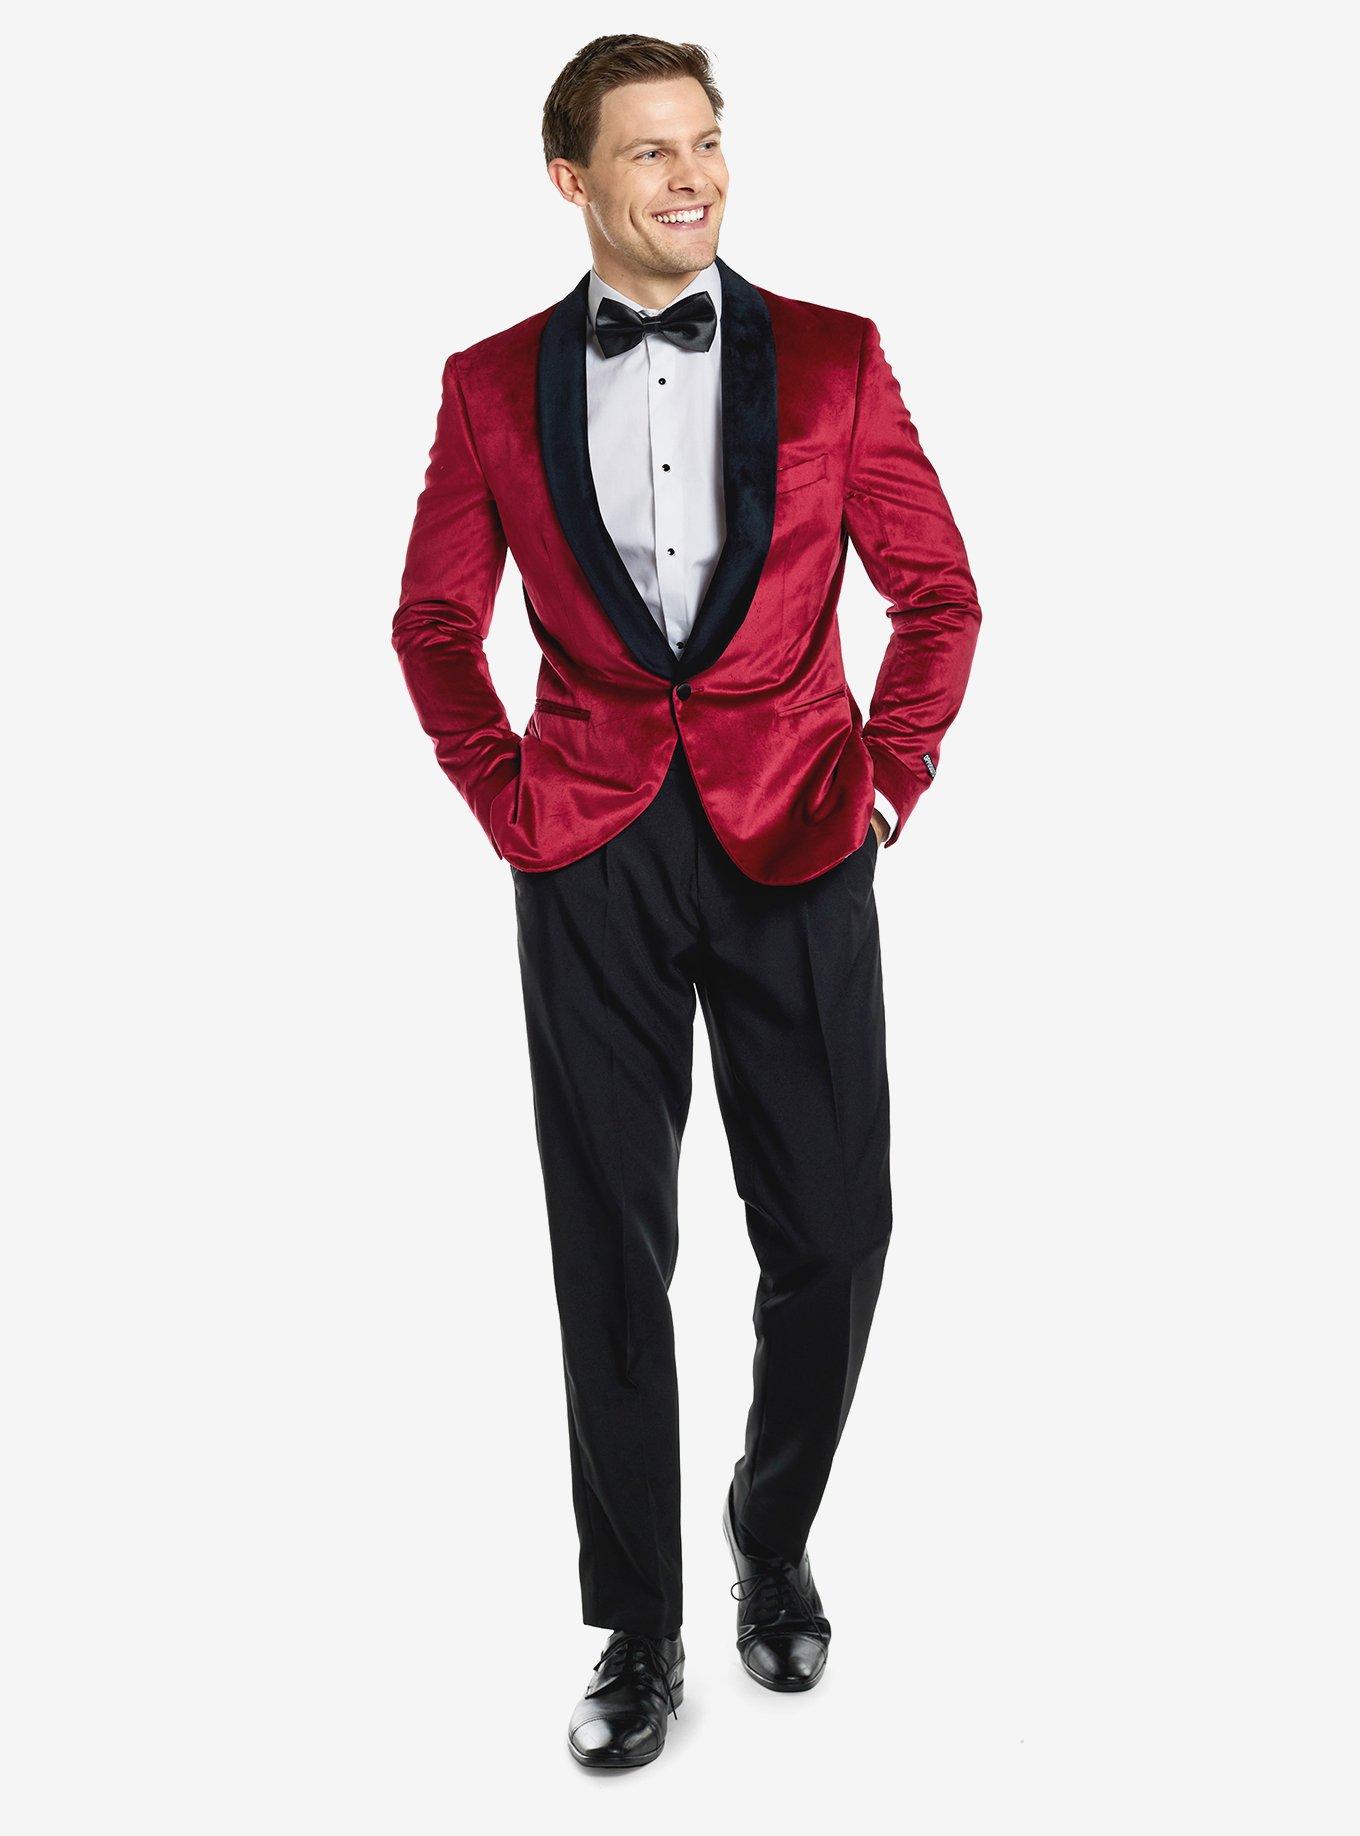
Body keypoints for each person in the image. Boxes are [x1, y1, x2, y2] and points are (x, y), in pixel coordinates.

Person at [392, 33, 982, 1770]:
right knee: (609, 1247)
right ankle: (638, 1623)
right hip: (588, 847)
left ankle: (768, 1529)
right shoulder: (488, 385)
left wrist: (888, 779)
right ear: (571, 179)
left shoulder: (839, 359)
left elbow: (939, 594)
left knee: (838, 1233)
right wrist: (508, 799)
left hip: (802, 827)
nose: (692, 176)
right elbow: (432, 622)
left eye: (708, 142)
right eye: (651, 151)